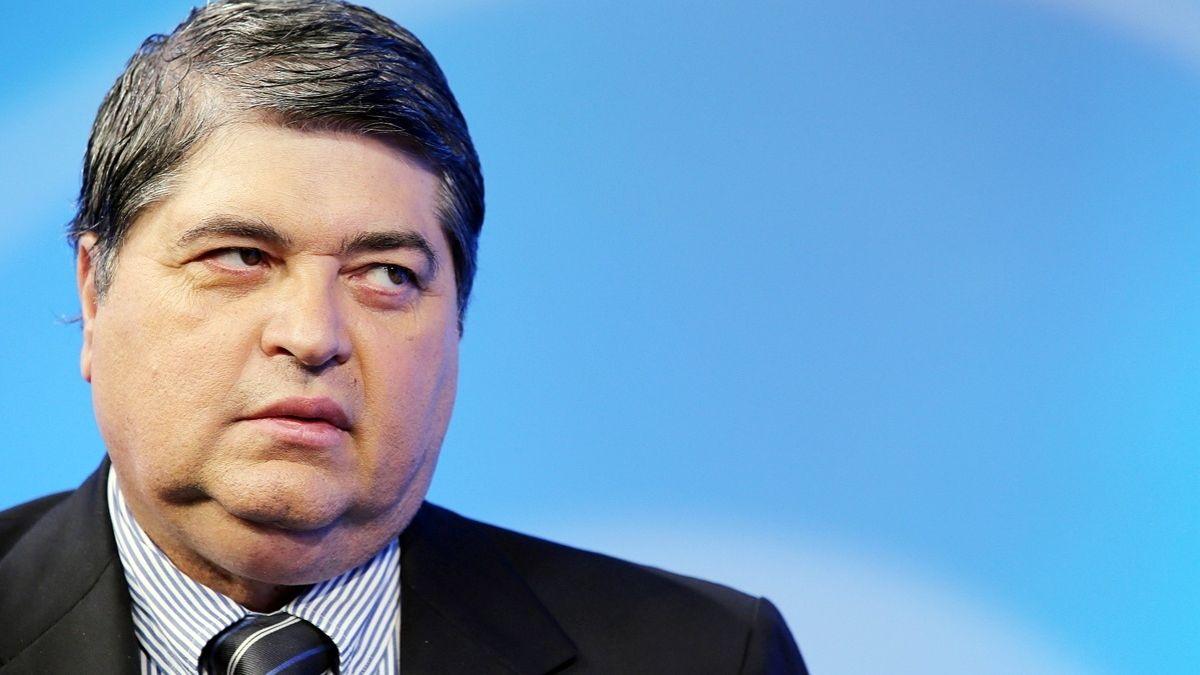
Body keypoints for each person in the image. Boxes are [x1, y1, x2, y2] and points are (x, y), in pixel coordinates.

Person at [0, 1, 807, 673]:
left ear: (457, 319)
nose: (312, 334)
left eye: (386, 274)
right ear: (94, 294)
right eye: (241, 256)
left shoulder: (708, 655)